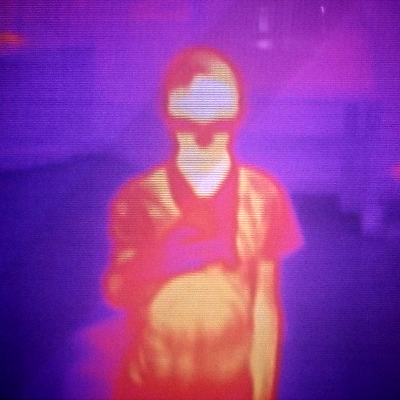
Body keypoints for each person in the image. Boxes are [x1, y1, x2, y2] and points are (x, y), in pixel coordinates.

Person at [102, 47, 303, 400]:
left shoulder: (263, 196)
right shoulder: (138, 197)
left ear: (238, 115)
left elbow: (265, 306)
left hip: (231, 386)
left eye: (218, 124)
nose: (204, 139)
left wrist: (262, 392)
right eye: (188, 124)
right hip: (148, 385)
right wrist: (156, 261)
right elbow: (115, 293)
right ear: (168, 116)